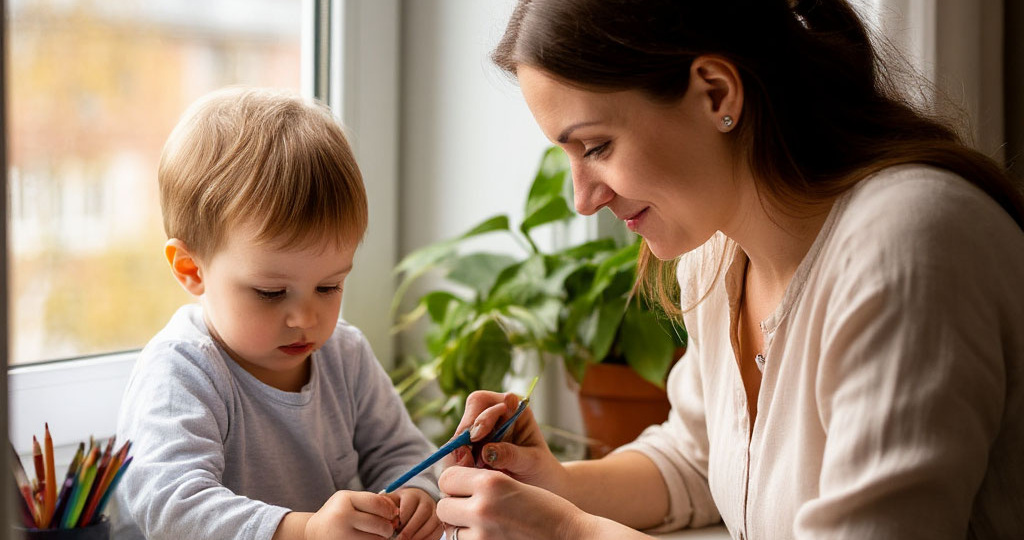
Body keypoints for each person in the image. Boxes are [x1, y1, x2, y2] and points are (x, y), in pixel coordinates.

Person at [436, 1, 1024, 539]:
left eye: (595, 147)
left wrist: (570, 532)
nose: (583, 199)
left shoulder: (910, 247)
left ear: (717, 93)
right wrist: (550, 488)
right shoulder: (717, 255)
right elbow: (698, 458)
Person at [113, 87, 443, 540]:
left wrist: (418, 494)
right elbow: (172, 507)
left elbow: (402, 451)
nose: (305, 317)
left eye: (329, 286)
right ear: (191, 269)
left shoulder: (344, 354)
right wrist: (305, 532)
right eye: (271, 292)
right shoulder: (181, 371)